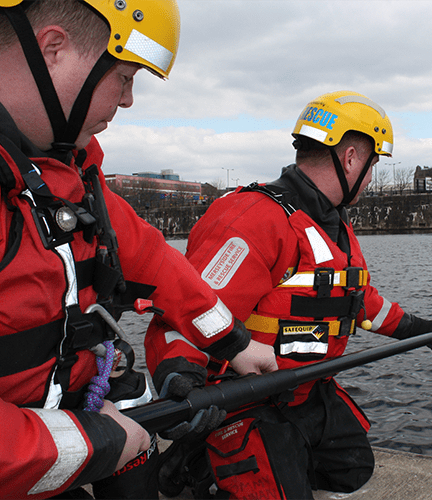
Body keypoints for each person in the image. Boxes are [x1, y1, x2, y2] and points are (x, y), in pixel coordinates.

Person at [0, 1, 276, 498]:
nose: (128, 100)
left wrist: (231, 345)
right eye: (124, 77)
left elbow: (158, 264)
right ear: (53, 49)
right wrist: (95, 441)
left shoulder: (68, 179)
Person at [145, 90, 432, 499]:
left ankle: (261, 461)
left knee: (352, 468)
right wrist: (179, 379)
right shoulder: (257, 218)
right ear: (350, 158)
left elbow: (358, 300)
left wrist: (420, 330)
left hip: (306, 389)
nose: (370, 178)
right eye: (371, 165)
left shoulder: (333, 226)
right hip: (247, 398)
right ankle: (206, 462)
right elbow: (188, 311)